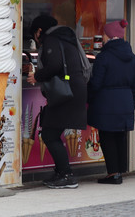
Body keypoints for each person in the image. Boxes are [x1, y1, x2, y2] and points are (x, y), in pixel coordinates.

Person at [27, 14, 89, 189]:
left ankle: (66, 175)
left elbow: (54, 65)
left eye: (34, 35)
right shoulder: (65, 38)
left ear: (39, 31)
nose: (36, 39)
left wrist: (36, 76)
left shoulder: (51, 40)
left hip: (66, 93)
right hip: (74, 90)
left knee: (49, 134)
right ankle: (62, 172)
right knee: (51, 132)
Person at [87, 19, 135, 185]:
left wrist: (89, 97)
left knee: (107, 136)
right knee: (120, 136)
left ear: (108, 36)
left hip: (107, 102)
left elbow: (96, 83)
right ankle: (120, 171)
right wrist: (132, 102)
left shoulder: (104, 57)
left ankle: (113, 173)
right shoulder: (131, 57)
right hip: (125, 102)